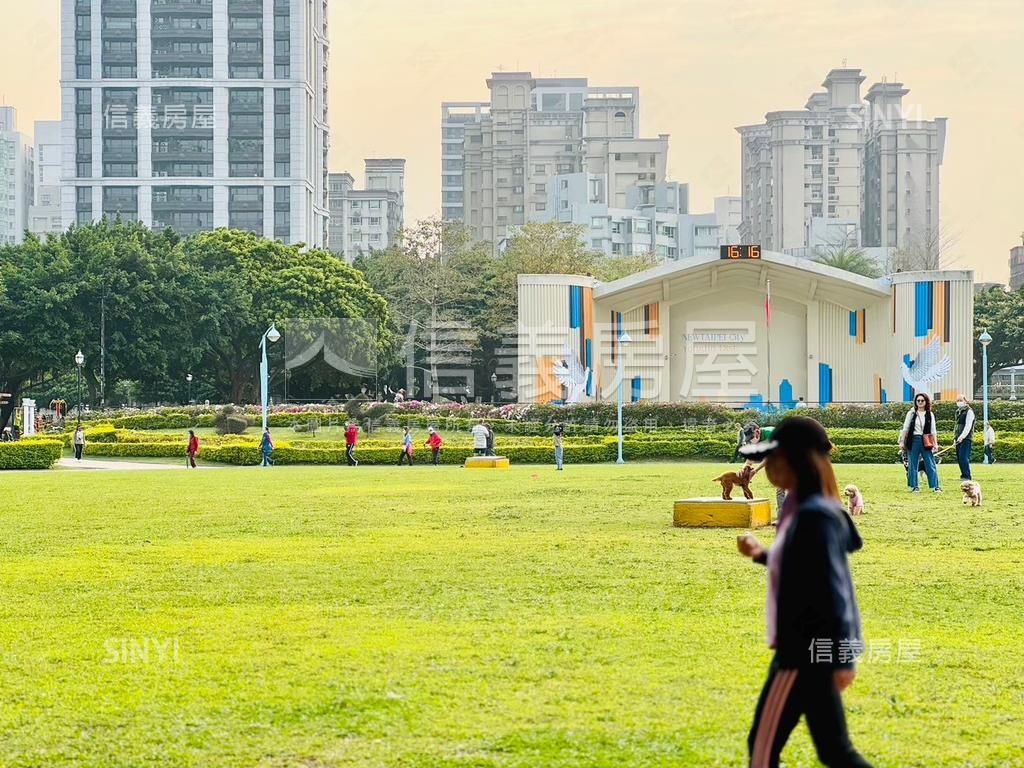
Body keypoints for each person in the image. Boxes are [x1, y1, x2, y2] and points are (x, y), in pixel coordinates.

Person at [736, 417, 872, 768]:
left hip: (801, 654)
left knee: (762, 752)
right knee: (836, 752)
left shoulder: (814, 516)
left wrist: (842, 657)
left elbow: (834, 592)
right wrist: (761, 554)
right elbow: (801, 569)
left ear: (792, 461)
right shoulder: (804, 507)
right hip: (815, 652)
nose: (766, 468)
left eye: (773, 460)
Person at [898, 393, 941, 493]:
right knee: (913, 464)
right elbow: (905, 428)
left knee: (930, 463)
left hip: (926, 439)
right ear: (915, 402)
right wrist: (902, 441)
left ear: (926, 402)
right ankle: (914, 486)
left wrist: (935, 443)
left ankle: (935, 486)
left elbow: (933, 430)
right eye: (918, 401)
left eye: (922, 400)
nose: (920, 402)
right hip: (913, 440)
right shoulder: (911, 413)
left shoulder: (930, 414)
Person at [953, 395, 977, 480]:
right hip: (958, 438)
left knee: (963, 457)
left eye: (960, 400)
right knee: (959, 458)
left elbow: (968, 426)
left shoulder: (969, 411)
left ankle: (967, 475)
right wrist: (955, 438)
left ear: (965, 401)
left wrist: (962, 436)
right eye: (957, 400)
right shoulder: (958, 411)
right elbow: (956, 426)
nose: (959, 402)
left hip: (966, 438)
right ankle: (963, 474)